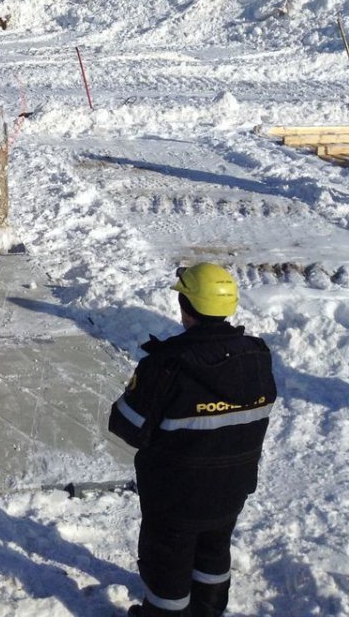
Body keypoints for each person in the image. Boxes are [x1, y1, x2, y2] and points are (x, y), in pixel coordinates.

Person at [109, 263, 276, 617]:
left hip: (175, 497)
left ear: (186, 306)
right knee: (214, 553)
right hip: (232, 490)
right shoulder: (257, 357)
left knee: (168, 565)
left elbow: (126, 425)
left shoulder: (167, 364)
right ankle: (209, 610)